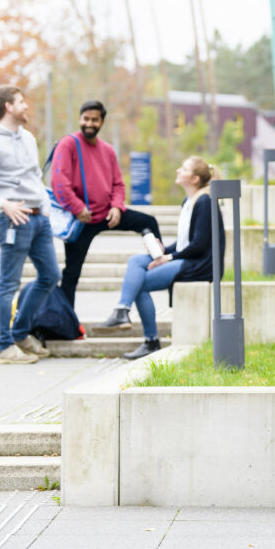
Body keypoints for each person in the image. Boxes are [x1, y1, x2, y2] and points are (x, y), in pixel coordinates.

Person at [0, 85, 59, 365]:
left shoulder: (28, 138)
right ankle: (2, 347)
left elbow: (34, 176)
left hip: (38, 217)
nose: (26, 106)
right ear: (8, 106)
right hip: (13, 219)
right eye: (21, 102)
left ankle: (19, 332)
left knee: (50, 275)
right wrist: (3, 204)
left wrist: (45, 207)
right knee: (8, 284)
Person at [97, 156, 222, 360]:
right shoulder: (188, 201)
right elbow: (185, 243)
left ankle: (151, 340)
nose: (177, 171)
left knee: (141, 283)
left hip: (199, 264)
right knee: (136, 261)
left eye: (183, 169)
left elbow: (199, 245)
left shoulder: (205, 202)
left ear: (195, 179)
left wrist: (169, 257)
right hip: (186, 257)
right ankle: (122, 310)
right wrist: (164, 250)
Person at [50, 100, 161, 306]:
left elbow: (118, 183)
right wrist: (77, 207)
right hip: (81, 219)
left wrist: (117, 207)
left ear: (102, 122)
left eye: (94, 120)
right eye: (86, 119)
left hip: (108, 214)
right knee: (71, 273)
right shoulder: (68, 144)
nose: (89, 123)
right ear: (79, 119)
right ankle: (67, 323)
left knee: (149, 223)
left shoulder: (107, 150)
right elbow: (59, 181)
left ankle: (163, 273)